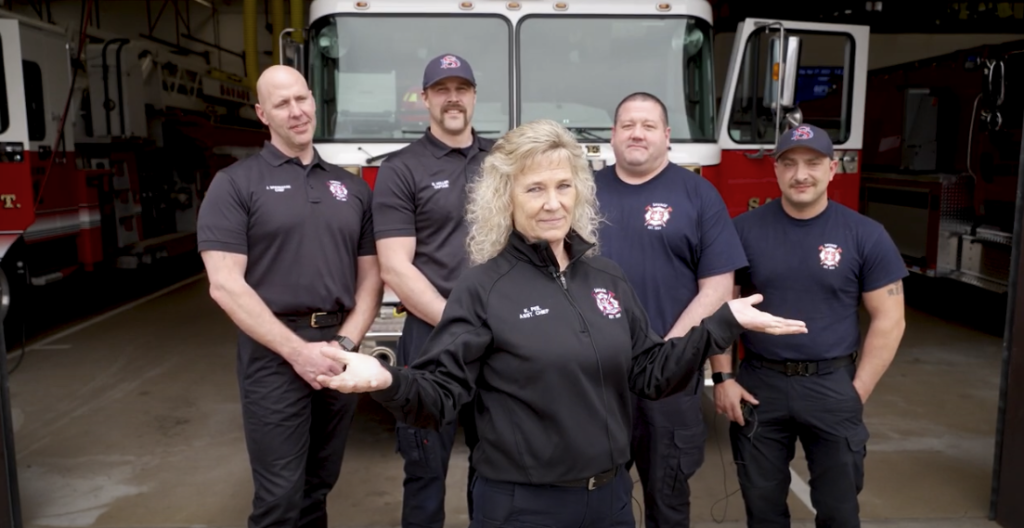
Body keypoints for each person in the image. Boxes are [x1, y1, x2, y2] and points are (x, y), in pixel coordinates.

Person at [317, 119, 808, 528]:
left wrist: (722, 322)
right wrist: (385, 379)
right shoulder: (483, 287)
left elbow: (651, 374)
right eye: (534, 189)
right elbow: (441, 396)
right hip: (523, 506)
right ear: (505, 199)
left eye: (563, 185)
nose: (552, 203)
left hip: (611, 500)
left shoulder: (607, 277)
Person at [196, 65, 383, 528]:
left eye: (302, 99)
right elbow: (224, 284)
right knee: (279, 498)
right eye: (282, 104)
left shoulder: (352, 187)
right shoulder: (235, 184)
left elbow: (372, 279)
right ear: (263, 113)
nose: (296, 112)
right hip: (274, 352)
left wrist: (345, 346)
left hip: (339, 346)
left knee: (318, 486)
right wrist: (297, 352)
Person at [713, 123, 907, 528]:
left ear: (832, 168)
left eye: (813, 163)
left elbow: (890, 318)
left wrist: (858, 390)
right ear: (776, 170)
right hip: (759, 386)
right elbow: (722, 309)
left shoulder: (865, 235)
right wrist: (724, 378)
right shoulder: (742, 231)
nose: (801, 174)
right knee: (763, 510)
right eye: (790, 164)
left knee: (839, 511)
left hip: (832, 384)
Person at [594, 92, 749, 528]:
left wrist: (665, 353)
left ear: (666, 135)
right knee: (596, 500)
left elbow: (718, 286)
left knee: (668, 500)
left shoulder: (699, 195)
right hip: (596, 380)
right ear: (613, 135)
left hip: (670, 382)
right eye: (627, 125)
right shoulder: (582, 193)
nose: (636, 133)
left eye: (647, 125)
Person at [370, 52, 493, 528]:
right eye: (442, 90)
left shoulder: (501, 163)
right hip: (429, 341)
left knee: (498, 466)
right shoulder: (402, 169)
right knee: (424, 470)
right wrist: (460, 324)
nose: (453, 98)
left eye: (461, 88)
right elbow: (396, 269)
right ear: (425, 99)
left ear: (475, 97)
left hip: (498, 341)